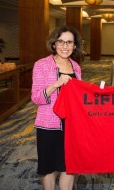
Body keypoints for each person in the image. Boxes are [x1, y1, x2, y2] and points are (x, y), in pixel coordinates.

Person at [31, 26, 82, 190]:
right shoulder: (42, 65)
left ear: (75, 46)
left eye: (69, 42)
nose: (65, 46)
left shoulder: (76, 67)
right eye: (61, 41)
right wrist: (56, 84)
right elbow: (36, 98)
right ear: (54, 44)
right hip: (48, 125)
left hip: (71, 125)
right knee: (49, 168)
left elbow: (78, 96)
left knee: (69, 167)